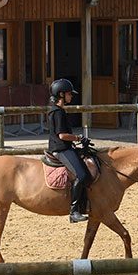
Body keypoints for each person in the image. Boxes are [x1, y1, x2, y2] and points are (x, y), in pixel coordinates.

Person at [47, 78, 91, 223]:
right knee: (82, 175)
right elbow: (62, 135)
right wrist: (79, 138)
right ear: (61, 94)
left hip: (65, 147)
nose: (71, 96)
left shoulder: (57, 110)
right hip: (61, 149)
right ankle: (74, 211)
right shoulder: (57, 112)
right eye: (69, 94)